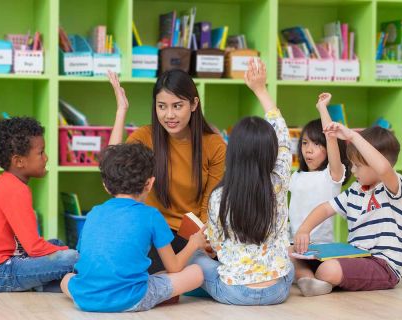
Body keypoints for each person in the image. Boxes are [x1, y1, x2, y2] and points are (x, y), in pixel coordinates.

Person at [189, 58, 294, 305]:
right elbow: (283, 135)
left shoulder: (219, 196)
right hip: (278, 290)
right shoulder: (278, 180)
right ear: (271, 151)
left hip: (235, 292)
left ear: (233, 150)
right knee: (288, 262)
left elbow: (214, 245)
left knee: (194, 259)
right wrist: (260, 89)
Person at [60, 143, 207, 312]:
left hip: (85, 299)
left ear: (105, 185)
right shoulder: (152, 215)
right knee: (196, 272)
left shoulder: (94, 213)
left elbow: (83, 258)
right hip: (132, 299)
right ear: (150, 183)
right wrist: (194, 243)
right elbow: (174, 267)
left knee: (67, 279)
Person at [107, 69, 226, 272]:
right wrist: (121, 110)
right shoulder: (144, 137)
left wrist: (206, 239)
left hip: (189, 236)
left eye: (177, 106)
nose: (169, 115)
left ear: (194, 104)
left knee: (209, 270)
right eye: (162, 106)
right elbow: (113, 173)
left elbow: (211, 206)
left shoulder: (214, 145)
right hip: (150, 231)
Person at [0, 117, 78, 292]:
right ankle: (62, 283)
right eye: (41, 153)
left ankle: (44, 284)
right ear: (19, 161)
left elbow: (29, 245)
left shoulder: (9, 183)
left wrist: (58, 248)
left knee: (56, 243)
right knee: (72, 258)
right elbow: (34, 248)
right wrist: (68, 252)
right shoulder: (16, 190)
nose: (46, 158)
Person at [293, 123, 402, 297]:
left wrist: (354, 136)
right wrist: (304, 229)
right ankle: (310, 281)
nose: (353, 170)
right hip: (355, 255)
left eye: (358, 165)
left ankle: (320, 278)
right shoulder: (355, 190)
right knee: (290, 252)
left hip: (383, 265)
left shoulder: (395, 187)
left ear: (374, 163)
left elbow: (384, 168)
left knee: (328, 269)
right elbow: (325, 208)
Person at [289, 92, 351, 244]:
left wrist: (322, 108)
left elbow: (331, 138)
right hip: (293, 243)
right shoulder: (296, 176)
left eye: (316, 144)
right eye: (305, 143)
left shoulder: (331, 176)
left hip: (322, 246)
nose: (308, 150)